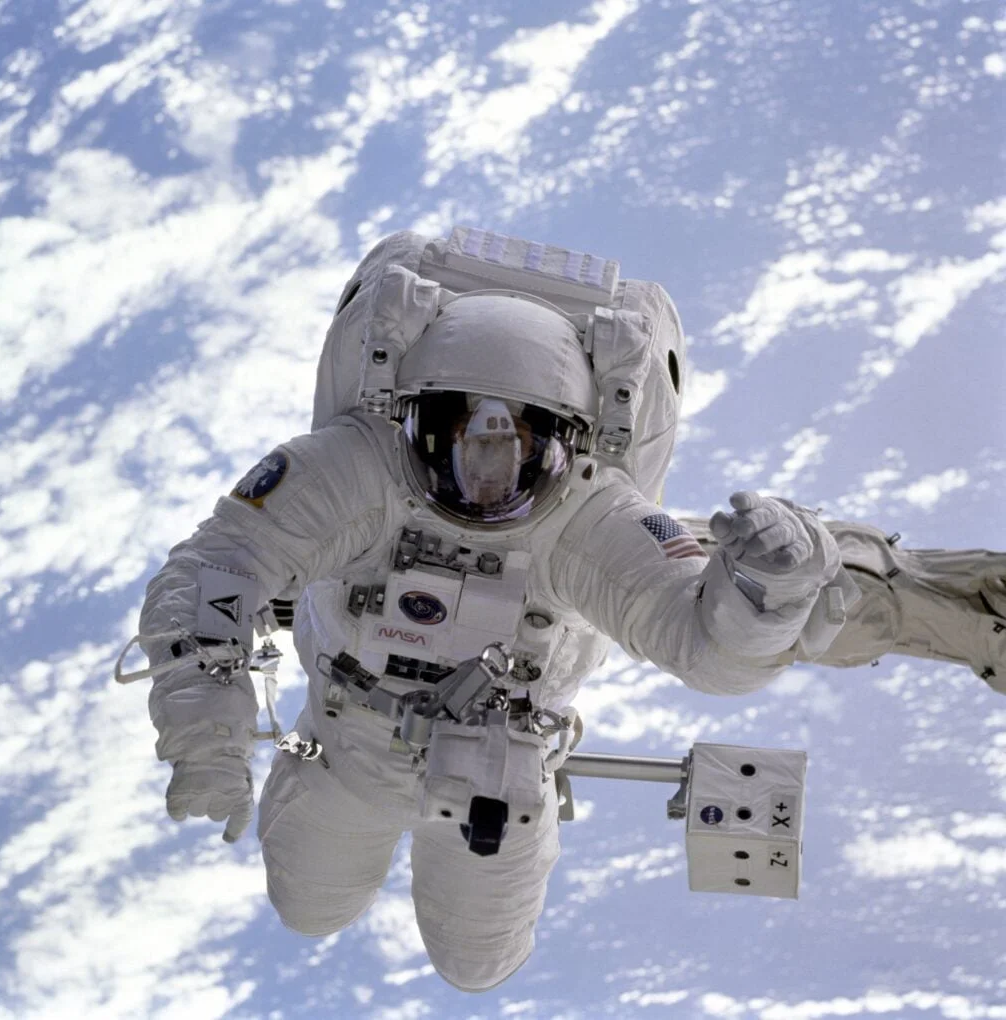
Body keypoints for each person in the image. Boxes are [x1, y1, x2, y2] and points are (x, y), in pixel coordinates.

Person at [136, 227, 1003, 993]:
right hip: (344, 745)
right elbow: (214, 568)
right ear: (411, 418)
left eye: (517, 447)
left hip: (497, 772)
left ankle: (876, 585)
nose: (484, 478)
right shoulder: (351, 466)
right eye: (456, 437)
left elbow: (708, 651)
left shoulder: (593, 515)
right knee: (309, 907)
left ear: (570, 443)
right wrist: (205, 734)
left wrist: (768, 594)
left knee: (475, 962)